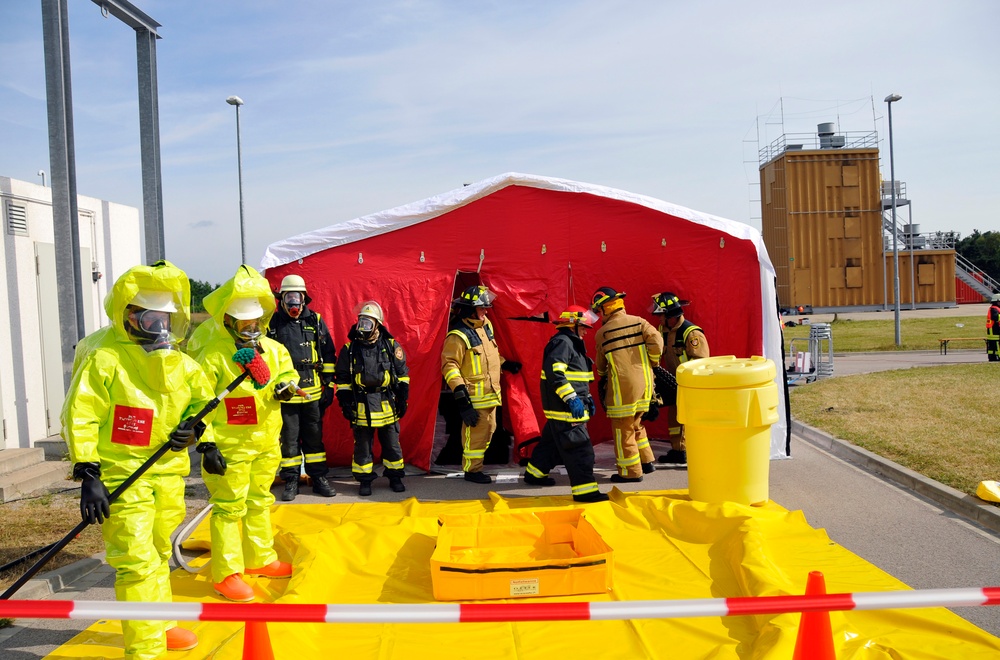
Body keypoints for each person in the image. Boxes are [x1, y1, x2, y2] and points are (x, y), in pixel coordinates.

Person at [62, 260, 214, 658]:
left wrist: (195, 431)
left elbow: (202, 403)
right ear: (129, 315)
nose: (157, 326)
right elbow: (81, 415)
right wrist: (89, 473)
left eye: (163, 317)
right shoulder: (104, 358)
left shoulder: (180, 363)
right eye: (148, 316)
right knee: (137, 561)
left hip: (167, 473)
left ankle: (160, 623)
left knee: (160, 552)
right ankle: (145, 649)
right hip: (121, 474)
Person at [188, 265, 299, 603]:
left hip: (266, 440)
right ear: (228, 322)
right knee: (228, 507)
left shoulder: (273, 349)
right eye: (244, 324)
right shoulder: (214, 356)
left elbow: (289, 372)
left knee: (259, 501)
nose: (251, 329)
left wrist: (286, 387)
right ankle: (227, 573)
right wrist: (206, 445)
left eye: (255, 323)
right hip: (229, 446)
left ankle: (260, 558)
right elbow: (197, 402)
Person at [523, 306, 608, 503]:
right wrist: (572, 399)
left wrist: (585, 398)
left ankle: (534, 474)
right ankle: (585, 491)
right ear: (573, 325)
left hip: (564, 407)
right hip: (566, 409)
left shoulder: (570, 342)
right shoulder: (563, 343)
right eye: (584, 327)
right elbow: (556, 374)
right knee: (580, 450)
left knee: (550, 444)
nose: (586, 331)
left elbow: (575, 376)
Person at [440, 285, 521, 483]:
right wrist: (462, 398)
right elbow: (449, 366)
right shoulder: (457, 336)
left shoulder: (486, 326)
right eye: (482, 308)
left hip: (491, 394)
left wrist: (505, 363)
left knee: (489, 431)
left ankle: (476, 466)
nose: (486, 311)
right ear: (470, 309)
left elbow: (489, 355)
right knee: (475, 435)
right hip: (473, 397)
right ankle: (472, 471)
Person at [267, 274, 337, 500]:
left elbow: (328, 354)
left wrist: (328, 385)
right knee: (289, 440)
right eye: (289, 297)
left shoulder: (315, 321)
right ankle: (291, 480)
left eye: (297, 297)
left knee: (314, 437)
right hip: (286, 393)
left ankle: (318, 478)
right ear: (282, 299)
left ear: (304, 298)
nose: (293, 303)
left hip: (313, 392)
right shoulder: (273, 324)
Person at [334, 301, 410, 496]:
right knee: (363, 446)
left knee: (392, 443)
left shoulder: (391, 346)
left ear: (377, 325)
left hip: (386, 402)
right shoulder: (349, 350)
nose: (363, 328)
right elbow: (342, 379)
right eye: (361, 323)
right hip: (362, 403)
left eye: (367, 324)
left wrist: (402, 398)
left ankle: (395, 476)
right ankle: (364, 480)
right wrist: (345, 402)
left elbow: (402, 375)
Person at [591, 286, 662, 482]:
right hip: (646, 387)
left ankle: (631, 472)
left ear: (605, 309)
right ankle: (646, 462)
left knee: (624, 430)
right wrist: (653, 362)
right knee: (637, 423)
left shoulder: (603, 333)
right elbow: (657, 341)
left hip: (622, 390)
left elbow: (601, 366)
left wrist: (603, 376)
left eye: (599, 310)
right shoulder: (640, 322)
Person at [651, 291, 710, 465]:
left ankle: (691, 451)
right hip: (675, 383)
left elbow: (701, 361)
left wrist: (690, 381)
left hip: (691, 384)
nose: (659, 319)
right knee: (675, 417)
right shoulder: (663, 330)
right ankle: (678, 450)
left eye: (661, 315)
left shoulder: (691, 333)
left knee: (688, 419)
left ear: (670, 315)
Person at [987, 293, 1000, 362]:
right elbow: (996, 317)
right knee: (996, 345)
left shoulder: (995, 308)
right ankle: (996, 357)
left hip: (993, 330)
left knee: (993, 346)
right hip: (994, 331)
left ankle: (993, 357)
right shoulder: (994, 309)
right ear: (997, 302)